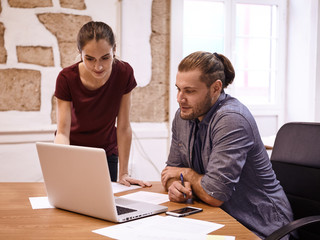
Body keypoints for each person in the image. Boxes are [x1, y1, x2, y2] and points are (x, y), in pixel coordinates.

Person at [161, 51, 293, 239]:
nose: (180, 98)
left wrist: (187, 174)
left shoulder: (231, 119)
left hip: (261, 227)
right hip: (216, 218)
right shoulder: (184, 115)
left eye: (189, 91)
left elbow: (214, 194)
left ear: (216, 88)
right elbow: (170, 172)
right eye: (178, 89)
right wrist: (176, 186)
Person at [54, 21, 150, 187]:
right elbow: (62, 132)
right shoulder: (66, 78)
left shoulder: (124, 73)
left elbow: (123, 126)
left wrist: (124, 173)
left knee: (106, 207)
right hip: (73, 152)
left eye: (105, 58)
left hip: (106, 153)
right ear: (80, 53)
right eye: (89, 59)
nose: (98, 66)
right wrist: (64, 166)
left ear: (114, 50)